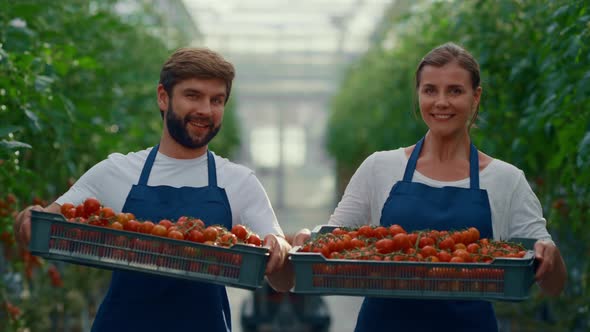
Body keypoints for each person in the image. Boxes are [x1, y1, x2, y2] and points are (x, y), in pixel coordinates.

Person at [13, 47, 294, 332]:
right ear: (163, 97)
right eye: (192, 95)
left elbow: (283, 282)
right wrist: (26, 219)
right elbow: (40, 229)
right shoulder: (116, 171)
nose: (205, 110)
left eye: (216, 100)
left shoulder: (239, 182)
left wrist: (281, 249)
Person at [293, 42, 567, 332]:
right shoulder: (379, 168)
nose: (441, 102)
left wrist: (551, 254)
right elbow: (336, 240)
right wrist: (307, 239)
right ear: (419, 95)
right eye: (430, 90)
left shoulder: (507, 180)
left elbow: (553, 283)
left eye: (455, 91)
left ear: (476, 97)